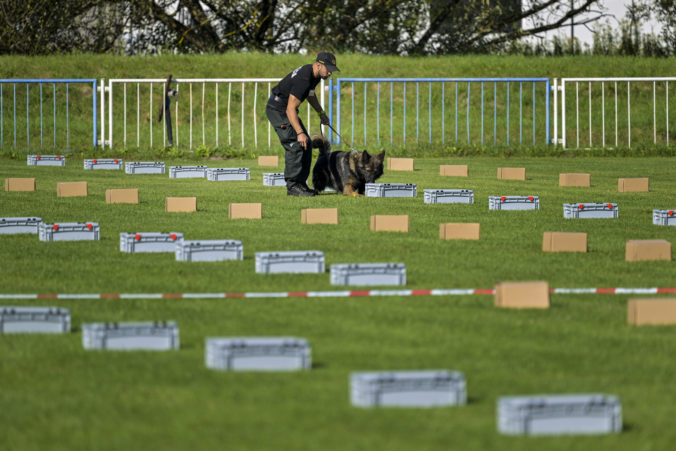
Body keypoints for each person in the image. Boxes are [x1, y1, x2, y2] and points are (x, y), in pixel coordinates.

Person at [266, 52, 339, 196]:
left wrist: (321, 113)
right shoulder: (304, 78)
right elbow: (290, 108)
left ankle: (301, 185)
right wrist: (299, 132)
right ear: (318, 65)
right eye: (328, 68)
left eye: (332, 69)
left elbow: (310, 94)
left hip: (285, 109)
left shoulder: (314, 76)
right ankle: (293, 186)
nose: (330, 72)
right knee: (296, 144)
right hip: (278, 110)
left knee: (307, 145)